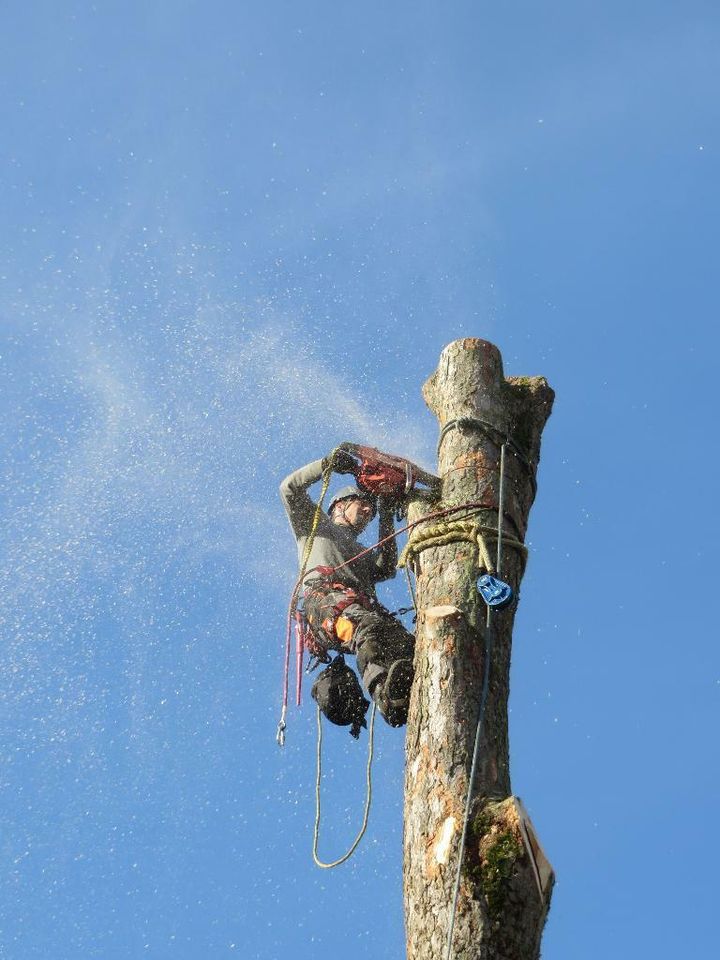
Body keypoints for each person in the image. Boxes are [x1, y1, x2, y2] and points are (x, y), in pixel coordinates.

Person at [279, 451, 415, 727]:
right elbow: (289, 488)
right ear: (338, 505)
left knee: (405, 644)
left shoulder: (362, 554)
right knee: (366, 627)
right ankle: (385, 697)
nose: (367, 512)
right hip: (327, 602)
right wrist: (327, 465)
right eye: (361, 505)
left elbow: (386, 567)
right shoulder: (315, 525)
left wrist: (386, 513)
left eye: (370, 510)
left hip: (359, 607)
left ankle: (405, 694)